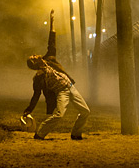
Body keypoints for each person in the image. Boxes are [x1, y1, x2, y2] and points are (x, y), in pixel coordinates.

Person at [23, 9, 90, 140]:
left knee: (86, 111)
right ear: (34, 64)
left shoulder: (49, 58)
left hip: (70, 86)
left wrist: (52, 21)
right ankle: (39, 134)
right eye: (33, 57)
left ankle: (76, 134)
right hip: (61, 92)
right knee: (59, 115)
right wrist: (29, 109)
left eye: (34, 55)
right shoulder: (38, 78)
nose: (35, 55)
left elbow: (52, 41)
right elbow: (36, 95)